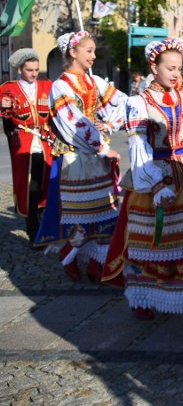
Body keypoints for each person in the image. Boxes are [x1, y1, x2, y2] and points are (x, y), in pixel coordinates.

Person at [103, 38, 183, 324]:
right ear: (153, 67)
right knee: (155, 244)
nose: (176, 74)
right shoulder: (138, 103)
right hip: (154, 178)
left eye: (179, 68)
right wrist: (155, 184)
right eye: (170, 68)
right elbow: (139, 149)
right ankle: (144, 297)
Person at [34, 31, 126, 282]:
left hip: (96, 156)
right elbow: (74, 122)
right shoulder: (60, 86)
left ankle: (101, 264)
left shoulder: (93, 81)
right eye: (89, 51)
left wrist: (108, 125)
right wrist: (102, 146)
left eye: (94, 51)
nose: (94, 56)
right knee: (84, 216)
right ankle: (69, 254)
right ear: (72, 52)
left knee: (107, 213)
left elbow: (123, 103)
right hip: (76, 158)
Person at [0, 49, 53, 244]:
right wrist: (2, 107)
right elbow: (4, 115)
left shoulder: (47, 85)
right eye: (29, 70)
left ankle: (47, 227)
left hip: (46, 143)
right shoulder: (8, 88)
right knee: (30, 188)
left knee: (46, 185)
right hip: (24, 144)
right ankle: (33, 231)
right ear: (20, 70)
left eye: (36, 69)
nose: (34, 74)